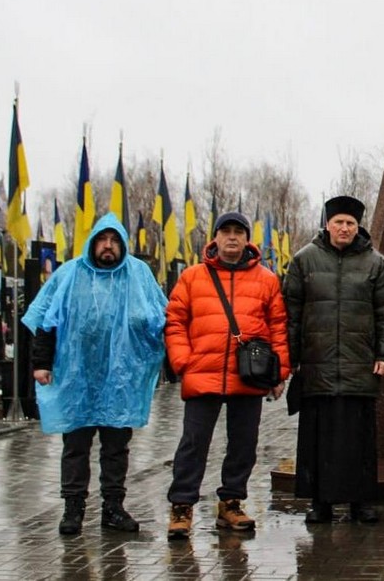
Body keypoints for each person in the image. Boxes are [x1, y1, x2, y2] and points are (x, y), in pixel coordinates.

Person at [23, 212, 167, 536]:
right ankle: (73, 508)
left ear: (122, 244)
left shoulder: (138, 275)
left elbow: (160, 322)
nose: (108, 246)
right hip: (77, 378)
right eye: (102, 239)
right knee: (75, 445)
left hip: (120, 381)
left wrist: (161, 364)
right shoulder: (70, 274)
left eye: (114, 240)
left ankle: (113, 508)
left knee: (116, 447)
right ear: (93, 242)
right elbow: (47, 321)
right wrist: (41, 363)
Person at [164, 211, 289, 540]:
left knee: (244, 444)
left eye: (239, 232)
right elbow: (175, 321)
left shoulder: (267, 280)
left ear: (248, 239)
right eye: (226, 232)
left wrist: (280, 373)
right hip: (202, 374)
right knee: (193, 444)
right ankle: (182, 506)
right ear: (215, 238)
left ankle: (231, 503)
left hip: (248, 376)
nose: (232, 238)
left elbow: (278, 328)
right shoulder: (193, 278)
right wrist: (183, 361)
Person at [283, 195, 384, 525]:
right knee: (317, 440)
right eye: (339, 222)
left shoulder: (377, 264)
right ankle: (320, 504)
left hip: (359, 366)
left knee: (358, 440)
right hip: (316, 365)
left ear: (357, 226)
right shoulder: (304, 260)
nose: (344, 228)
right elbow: (290, 312)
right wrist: (291, 357)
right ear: (327, 224)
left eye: (350, 223)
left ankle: (360, 503)